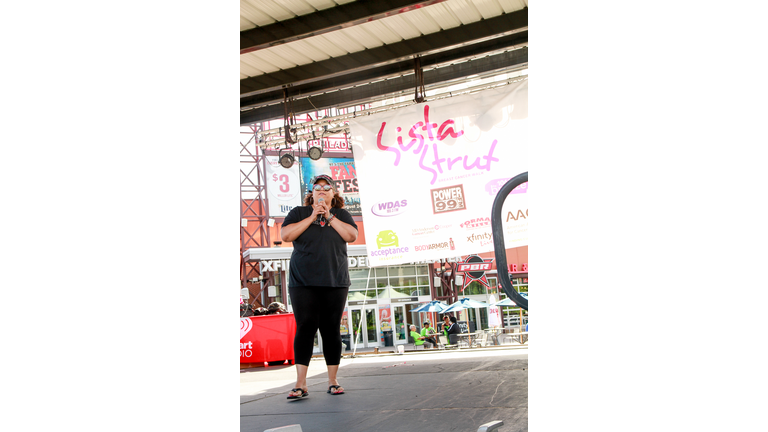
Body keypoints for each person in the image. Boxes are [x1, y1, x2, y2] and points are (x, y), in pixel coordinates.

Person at [281, 174, 358, 399]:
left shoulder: (341, 215)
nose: (322, 190)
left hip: (335, 280)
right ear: (311, 193)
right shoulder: (298, 213)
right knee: (305, 327)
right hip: (303, 282)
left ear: (333, 194)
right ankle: (300, 384)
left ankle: (333, 381)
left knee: (331, 329)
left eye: (327, 187)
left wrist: (329, 216)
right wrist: (314, 215)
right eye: (317, 187)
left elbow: (352, 235)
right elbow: (286, 235)